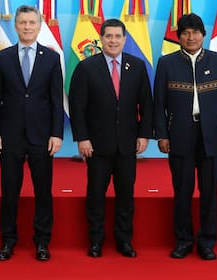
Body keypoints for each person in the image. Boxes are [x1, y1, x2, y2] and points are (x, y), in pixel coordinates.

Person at [154, 13, 217, 261]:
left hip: (210, 135)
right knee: (182, 191)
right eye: (186, 33)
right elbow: (159, 104)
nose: (191, 37)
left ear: (203, 35)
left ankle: (207, 242)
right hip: (179, 135)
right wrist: (162, 135)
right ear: (179, 36)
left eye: (195, 32)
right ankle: (183, 241)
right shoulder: (166, 63)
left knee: (209, 191)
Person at [69, 18, 153, 258]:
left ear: (124, 39)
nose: (113, 40)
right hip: (96, 145)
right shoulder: (86, 67)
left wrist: (144, 135)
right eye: (109, 36)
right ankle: (95, 241)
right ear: (102, 39)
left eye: (118, 36)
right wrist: (82, 138)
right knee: (96, 194)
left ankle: (124, 241)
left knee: (126, 194)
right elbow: (78, 107)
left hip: (128, 144)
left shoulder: (137, 66)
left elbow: (146, 103)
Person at [0, 5, 63, 261]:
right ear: (16, 25)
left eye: (32, 22)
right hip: (9, 136)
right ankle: (8, 240)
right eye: (23, 23)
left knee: (43, 190)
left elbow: (55, 100)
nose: (27, 27)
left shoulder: (52, 58)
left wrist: (57, 133)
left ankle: (42, 241)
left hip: (42, 137)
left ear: (39, 25)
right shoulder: (3, 57)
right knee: (9, 190)